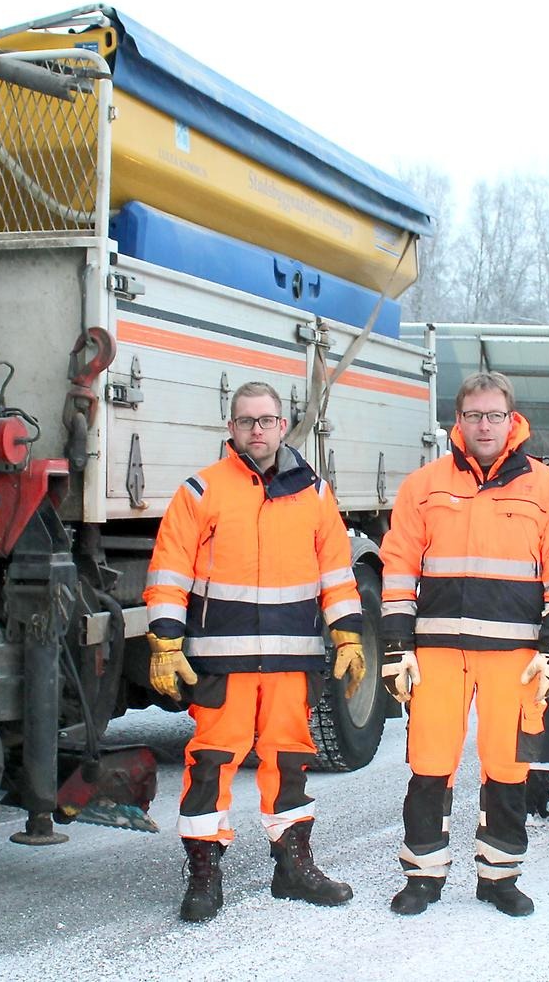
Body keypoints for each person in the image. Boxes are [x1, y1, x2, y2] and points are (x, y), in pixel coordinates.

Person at [143, 381, 368, 923]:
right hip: (223, 662)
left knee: (289, 760)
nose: (257, 430)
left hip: (292, 661)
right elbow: (168, 573)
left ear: (283, 426)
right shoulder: (201, 492)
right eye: (246, 422)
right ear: (231, 429)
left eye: (266, 420)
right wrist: (166, 642)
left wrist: (349, 635)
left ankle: (293, 866)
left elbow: (337, 574)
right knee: (212, 762)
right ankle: (204, 872)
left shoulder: (315, 494)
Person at [378, 371, 549, 917]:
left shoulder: (547, 487)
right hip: (438, 653)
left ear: (512, 420)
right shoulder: (422, 486)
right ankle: (423, 876)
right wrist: (397, 644)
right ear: (459, 420)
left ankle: (499, 878)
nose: (484, 425)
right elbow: (398, 566)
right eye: (474, 416)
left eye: (494, 415)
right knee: (429, 762)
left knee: (507, 765)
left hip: (515, 656)